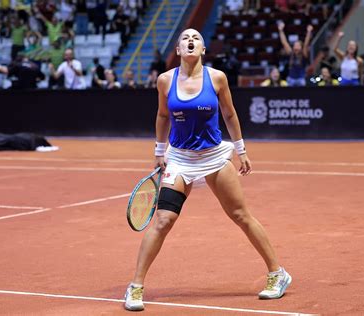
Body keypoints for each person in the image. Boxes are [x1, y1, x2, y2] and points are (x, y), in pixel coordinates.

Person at [123, 28, 291, 312]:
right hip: (179, 159)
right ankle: (136, 286)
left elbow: (229, 113)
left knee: (240, 215)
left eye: (196, 38)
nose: (190, 40)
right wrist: (159, 152)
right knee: (163, 220)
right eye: (185, 39)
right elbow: (163, 115)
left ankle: (278, 273)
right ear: (178, 50)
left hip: (214, 156)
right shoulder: (165, 81)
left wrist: (241, 150)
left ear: (202, 49)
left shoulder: (217, 78)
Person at [278, 22, 313, 86]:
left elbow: (306, 44)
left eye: (298, 45)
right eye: (295, 45)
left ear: (301, 47)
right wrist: (281, 30)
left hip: (301, 79)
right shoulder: (291, 54)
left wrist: (309, 32)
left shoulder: (304, 54)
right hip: (291, 79)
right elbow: (284, 43)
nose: (296, 47)